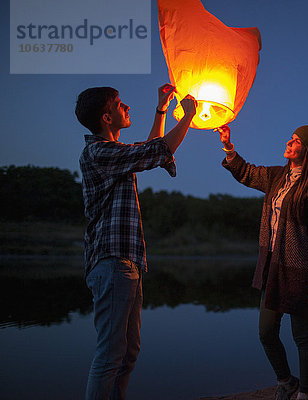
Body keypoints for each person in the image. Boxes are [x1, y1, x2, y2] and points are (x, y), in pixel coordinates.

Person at [76, 84, 197, 400]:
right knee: (110, 353)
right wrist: (188, 117)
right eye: (119, 104)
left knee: (128, 352)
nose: (126, 106)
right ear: (107, 117)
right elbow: (156, 151)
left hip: (126, 263)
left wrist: (162, 109)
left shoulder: (113, 152)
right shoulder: (98, 152)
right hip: (112, 262)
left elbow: (148, 150)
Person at [216, 124, 308, 400]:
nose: (289, 143)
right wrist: (228, 146)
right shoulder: (276, 176)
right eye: (290, 138)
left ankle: (304, 392)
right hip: (271, 266)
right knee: (267, 332)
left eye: (295, 140)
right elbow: (246, 173)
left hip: (300, 271)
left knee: (302, 336)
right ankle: (285, 380)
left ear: (307, 149)